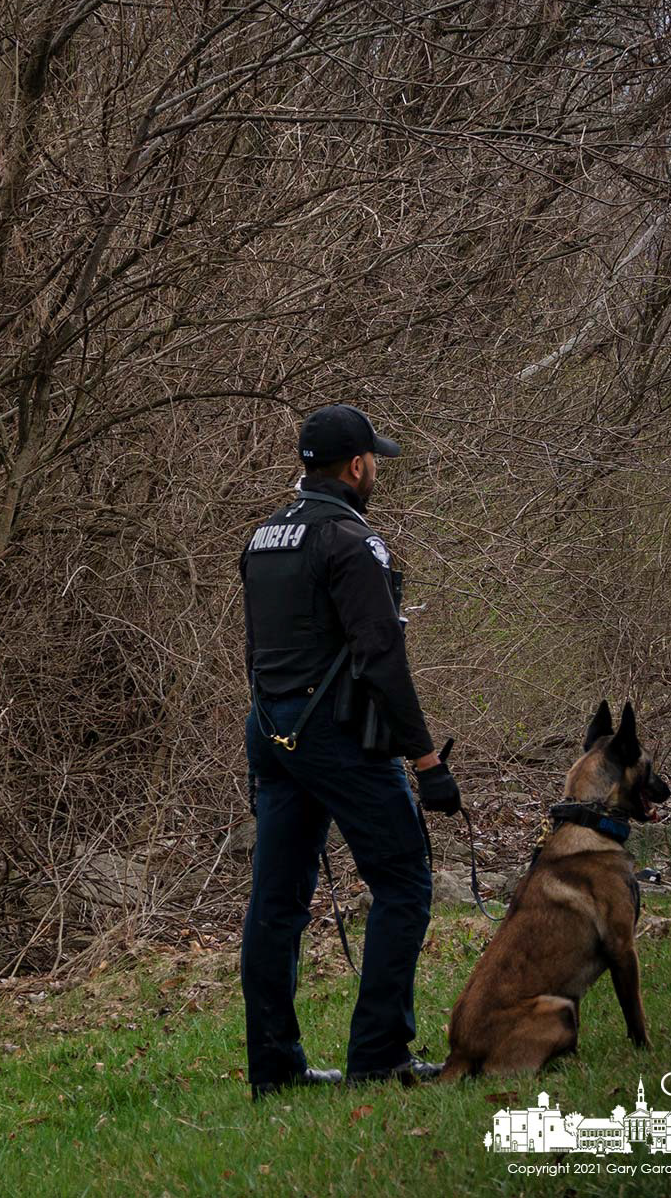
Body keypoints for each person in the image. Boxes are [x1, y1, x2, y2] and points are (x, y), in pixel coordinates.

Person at [238, 403, 460, 1095]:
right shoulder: (350, 539)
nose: (375, 474)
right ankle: (378, 1053)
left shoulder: (263, 536)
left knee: (276, 903)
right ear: (358, 465)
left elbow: (257, 649)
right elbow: (381, 658)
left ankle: (275, 1068)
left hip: (272, 731)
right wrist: (426, 762)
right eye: (374, 463)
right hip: (333, 734)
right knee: (404, 880)